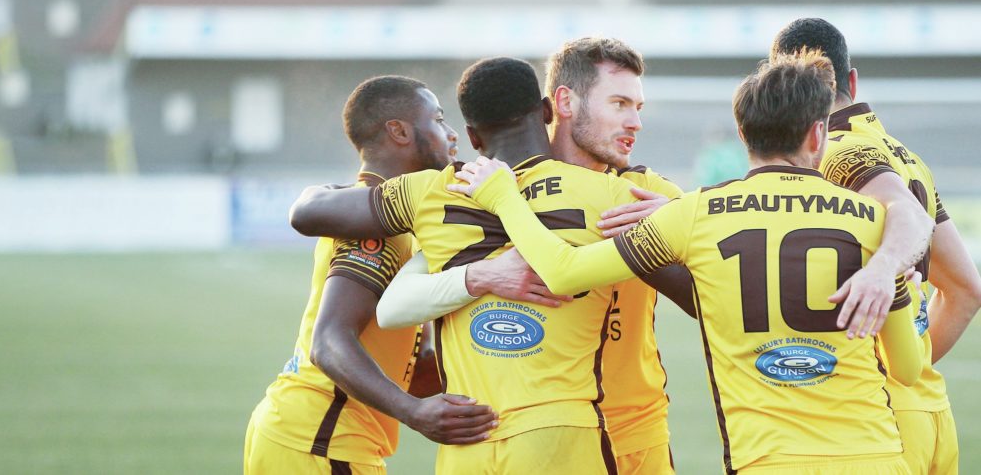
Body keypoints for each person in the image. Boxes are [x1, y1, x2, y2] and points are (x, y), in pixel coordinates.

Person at [447, 51, 922, 474]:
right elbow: (907, 367)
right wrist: (892, 278)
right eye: (620, 103)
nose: (635, 121)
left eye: (637, 106)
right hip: (875, 454)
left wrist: (504, 199)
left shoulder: (691, 212)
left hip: (745, 455)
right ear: (818, 134)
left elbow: (564, 272)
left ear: (742, 133)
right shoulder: (874, 224)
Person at [290, 56, 669, 474]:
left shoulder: (432, 191)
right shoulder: (615, 194)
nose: (633, 120)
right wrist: (674, 218)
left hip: (468, 436)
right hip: (562, 431)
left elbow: (309, 215)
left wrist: (473, 278)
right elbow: (699, 287)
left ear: (473, 135)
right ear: (548, 111)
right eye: (621, 103)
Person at [244, 76, 497, 475]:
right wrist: (414, 413)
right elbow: (328, 342)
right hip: (322, 441)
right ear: (399, 131)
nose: (452, 135)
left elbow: (411, 366)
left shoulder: (383, 214)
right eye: (439, 120)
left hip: (310, 438)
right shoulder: (375, 227)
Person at [772, 17, 981, 475]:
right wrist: (911, 367)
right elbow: (966, 290)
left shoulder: (831, 152)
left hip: (875, 424)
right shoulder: (906, 156)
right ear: (852, 80)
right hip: (931, 413)